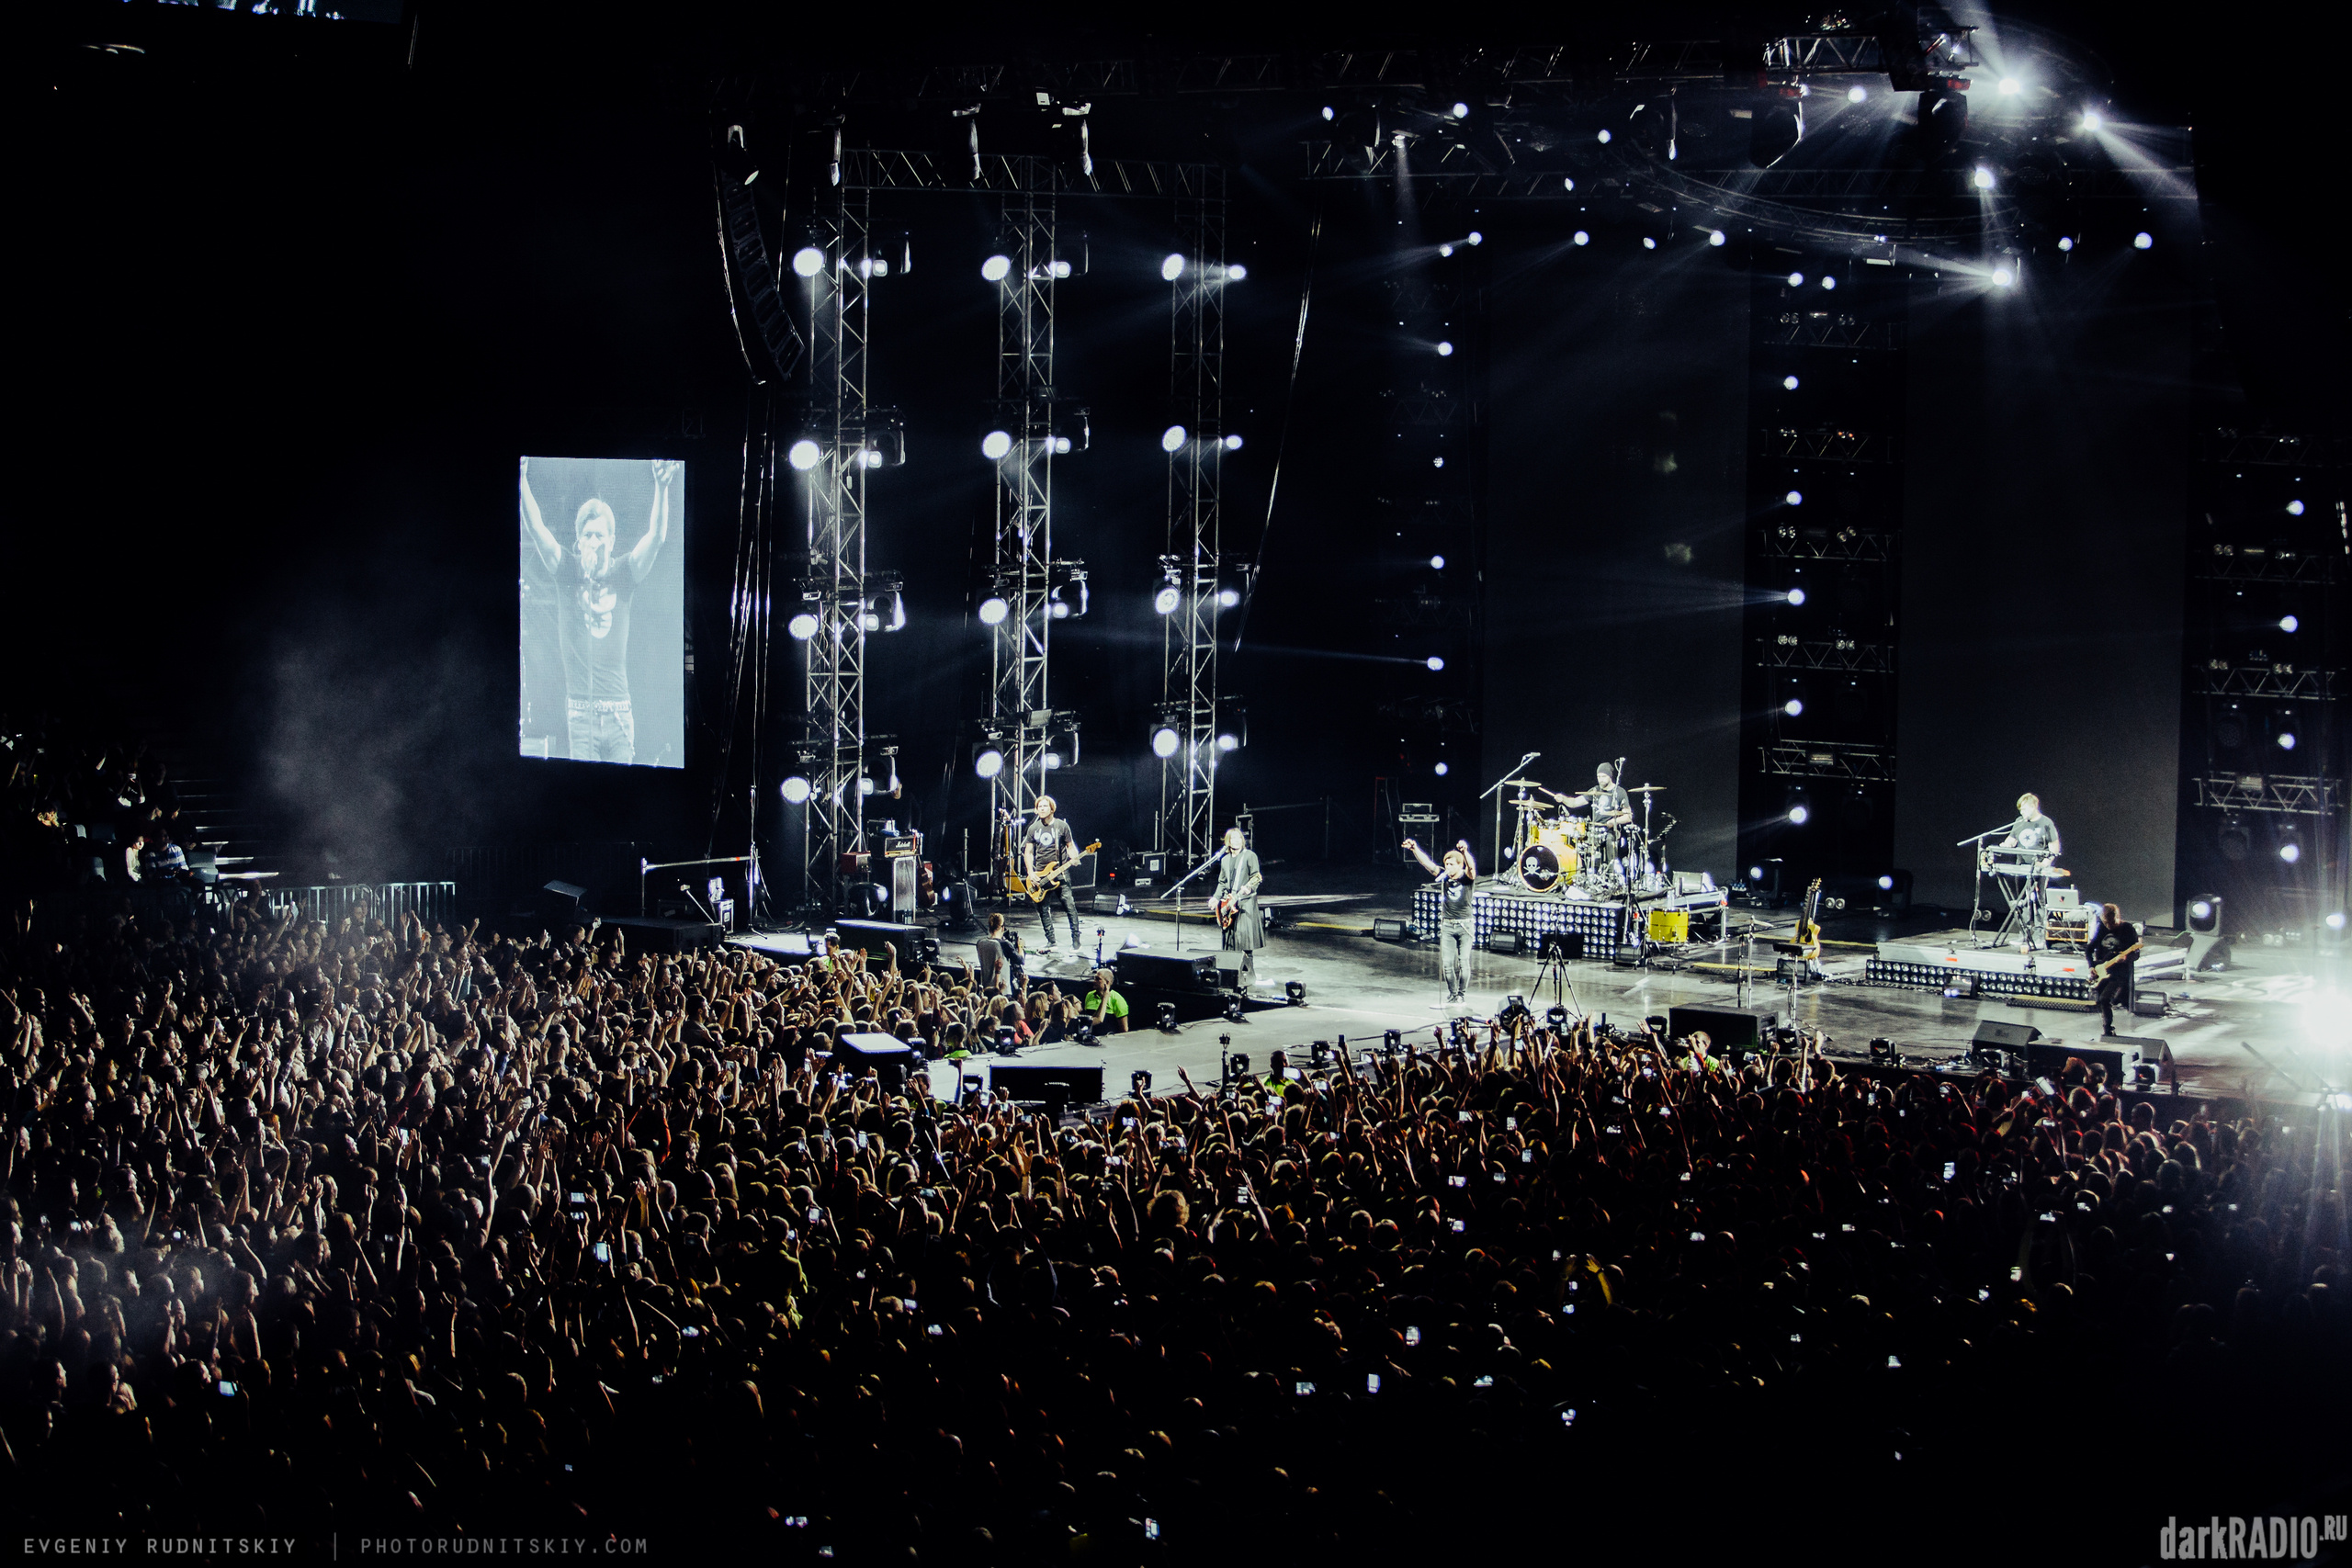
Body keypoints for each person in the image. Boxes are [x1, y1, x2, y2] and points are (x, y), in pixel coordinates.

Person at [519, 457, 678, 764]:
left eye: (600, 535)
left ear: (612, 541)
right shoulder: (566, 571)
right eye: (588, 535)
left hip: (620, 715)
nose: (594, 542)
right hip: (580, 717)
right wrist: (522, 480)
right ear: (578, 542)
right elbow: (536, 529)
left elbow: (656, 537)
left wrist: (662, 487)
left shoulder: (624, 573)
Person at [1403, 835, 1477, 1014]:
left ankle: (1461, 996)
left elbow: (1471, 867)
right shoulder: (1444, 877)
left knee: (1463, 962)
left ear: (1459, 865)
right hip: (1448, 926)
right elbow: (1427, 864)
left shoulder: (1467, 878)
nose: (1448, 867)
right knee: (1447, 964)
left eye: (1451, 864)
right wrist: (1414, 849)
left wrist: (1465, 852)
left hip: (1465, 926)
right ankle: (1453, 995)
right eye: (1447, 864)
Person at [1021, 795, 1085, 953]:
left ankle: (1076, 942)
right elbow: (1028, 852)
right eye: (1039, 807)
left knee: (1070, 907)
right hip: (1040, 876)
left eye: (1045, 806)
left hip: (1060, 874)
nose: (1042, 809)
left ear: (1052, 808)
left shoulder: (1061, 826)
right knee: (1043, 910)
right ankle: (1051, 942)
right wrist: (1031, 872)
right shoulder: (1033, 828)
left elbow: (1070, 846)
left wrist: (1074, 857)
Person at [1212, 825, 1265, 986]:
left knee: (1245, 942)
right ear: (1227, 842)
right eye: (1233, 838)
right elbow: (1222, 882)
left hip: (1245, 903)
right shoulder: (1225, 860)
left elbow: (1256, 877)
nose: (1236, 841)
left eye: (1239, 838)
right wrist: (1216, 898)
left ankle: (1249, 976)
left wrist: (1249, 888)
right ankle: (1231, 975)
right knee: (1230, 942)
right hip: (1229, 904)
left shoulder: (1249, 856)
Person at [2085, 901, 2142, 1036]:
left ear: (2117, 916)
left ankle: (2108, 1029)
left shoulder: (2127, 929)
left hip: (2119, 973)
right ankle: (2107, 1028)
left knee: (2105, 999)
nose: (2108, 926)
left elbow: (2136, 953)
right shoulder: (2102, 928)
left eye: (2111, 922)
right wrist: (2091, 966)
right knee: (2100, 1000)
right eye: (2106, 923)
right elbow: (2089, 949)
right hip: (2103, 970)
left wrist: (2126, 958)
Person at [1080, 967, 1129, 1033]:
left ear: (1107, 982)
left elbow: (1124, 1029)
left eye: (1098, 979)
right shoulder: (1089, 995)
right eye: (1094, 978)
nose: (1094, 981)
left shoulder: (1117, 999)